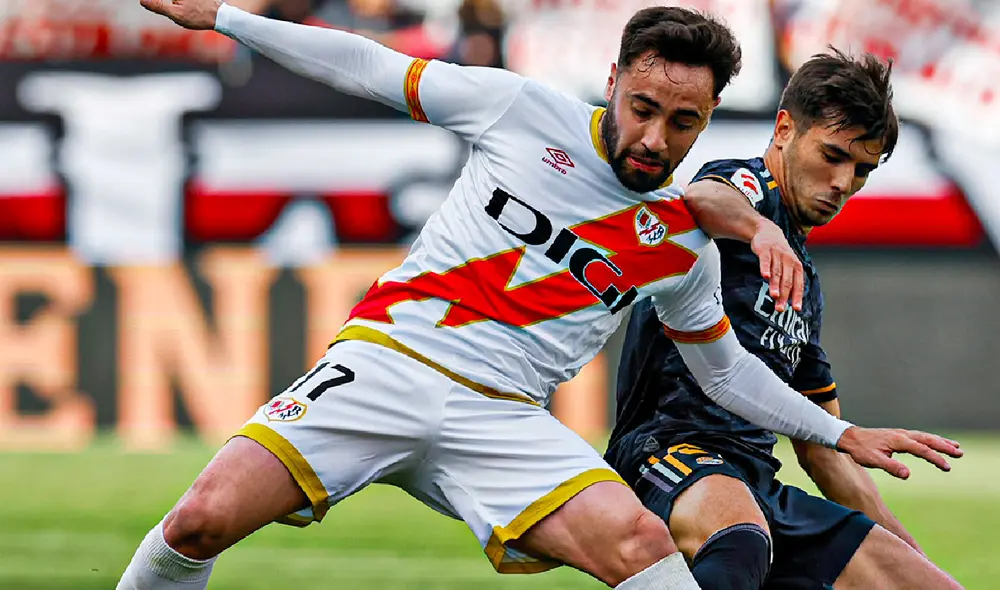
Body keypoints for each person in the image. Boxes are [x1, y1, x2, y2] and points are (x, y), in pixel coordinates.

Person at [121, 2, 961, 588]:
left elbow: (727, 375)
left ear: (707, 118)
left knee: (643, 548)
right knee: (200, 520)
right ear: (613, 80)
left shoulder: (678, 245)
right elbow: (372, 66)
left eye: (683, 122)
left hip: (506, 419)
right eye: (643, 108)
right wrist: (224, 16)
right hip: (389, 363)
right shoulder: (521, 110)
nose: (654, 137)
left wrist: (842, 431)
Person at [606, 49, 964, 589]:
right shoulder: (746, 192)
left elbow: (824, 454)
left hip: (754, 483)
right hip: (667, 455)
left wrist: (909, 556)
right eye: (833, 154)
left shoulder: (804, 289)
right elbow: (703, 196)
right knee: (741, 537)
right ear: (784, 129)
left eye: (862, 170)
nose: (844, 182)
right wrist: (758, 230)